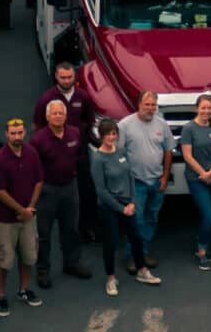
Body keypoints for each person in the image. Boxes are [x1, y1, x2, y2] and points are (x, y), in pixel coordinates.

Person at [92, 118, 158, 292]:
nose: (111, 137)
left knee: (136, 238)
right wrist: (121, 208)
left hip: (128, 205)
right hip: (109, 208)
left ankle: (142, 270)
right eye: (107, 134)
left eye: (114, 134)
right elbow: (101, 191)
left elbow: (130, 178)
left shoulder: (122, 152)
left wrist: (132, 202)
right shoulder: (98, 159)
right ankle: (111, 278)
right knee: (111, 243)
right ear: (101, 136)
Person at [36, 62, 101, 242]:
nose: (66, 80)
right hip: (53, 154)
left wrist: (79, 134)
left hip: (78, 152)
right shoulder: (46, 99)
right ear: (56, 77)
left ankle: (85, 228)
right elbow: (38, 125)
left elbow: (90, 120)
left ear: (75, 77)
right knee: (51, 192)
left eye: (69, 77)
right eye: (63, 77)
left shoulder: (83, 97)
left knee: (84, 190)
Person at [31, 100, 90, 289]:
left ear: (65, 116)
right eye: (54, 113)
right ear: (47, 117)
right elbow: (32, 169)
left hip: (70, 188)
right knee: (43, 233)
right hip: (47, 191)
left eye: (61, 113)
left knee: (71, 229)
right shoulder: (37, 140)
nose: (58, 116)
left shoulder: (74, 133)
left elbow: (79, 156)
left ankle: (71, 263)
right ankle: (43, 270)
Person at [0, 119, 44, 313]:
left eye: (20, 132)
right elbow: (0, 191)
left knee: (28, 256)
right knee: (4, 259)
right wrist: (21, 210)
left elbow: (39, 181)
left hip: (29, 217)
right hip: (6, 221)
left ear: (25, 132)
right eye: (13, 133)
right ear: (6, 134)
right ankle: (1, 296)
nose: (17, 136)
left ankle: (24, 289)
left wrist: (30, 208)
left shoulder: (32, 153)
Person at [116, 91, 174, 272]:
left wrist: (165, 177)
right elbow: (118, 153)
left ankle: (144, 251)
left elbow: (168, 151)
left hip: (156, 181)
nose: (150, 108)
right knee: (136, 221)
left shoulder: (162, 124)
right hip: (136, 182)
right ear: (138, 104)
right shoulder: (125, 125)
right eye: (147, 104)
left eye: (153, 105)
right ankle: (132, 256)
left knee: (151, 218)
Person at [179, 94, 211, 272]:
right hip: (196, 179)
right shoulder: (189, 129)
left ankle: (204, 244)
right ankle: (201, 250)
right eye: (203, 107)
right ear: (196, 108)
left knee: (208, 214)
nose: (206, 111)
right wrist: (203, 174)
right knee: (209, 216)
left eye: (209, 108)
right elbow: (187, 156)